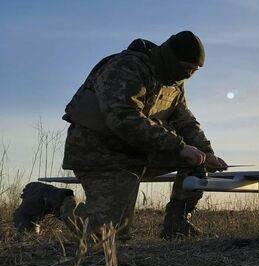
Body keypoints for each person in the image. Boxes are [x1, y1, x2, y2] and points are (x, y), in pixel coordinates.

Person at [13, 31, 226, 238]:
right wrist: (179, 148)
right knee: (106, 235)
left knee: (196, 161)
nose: (189, 75)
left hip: (137, 151)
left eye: (194, 70)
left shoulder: (173, 83)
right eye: (187, 68)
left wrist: (207, 154)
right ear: (172, 59)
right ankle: (47, 198)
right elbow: (123, 118)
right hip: (98, 152)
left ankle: (177, 225)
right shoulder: (124, 68)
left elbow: (185, 122)